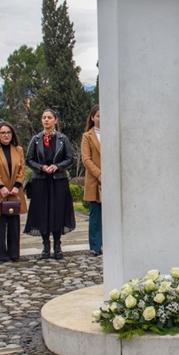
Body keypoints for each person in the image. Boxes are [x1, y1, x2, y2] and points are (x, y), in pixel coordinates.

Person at [26, 108, 76, 259]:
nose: (46, 120)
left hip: (58, 181)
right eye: (44, 117)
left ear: (55, 120)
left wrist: (58, 166)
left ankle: (57, 244)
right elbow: (28, 159)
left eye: (49, 117)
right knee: (43, 212)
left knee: (57, 211)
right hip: (41, 181)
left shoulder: (62, 139)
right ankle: (45, 245)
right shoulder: (36, 139)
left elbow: (70, 158)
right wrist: (41, 167)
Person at [0, 121, 27, 262]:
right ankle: (1, 254)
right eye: (3, 133)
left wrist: (17, 185)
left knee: (14, 224)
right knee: (0, 224)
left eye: (8, 132)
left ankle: (14, 253)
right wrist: (0, 186)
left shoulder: (18, 149)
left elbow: (22, 169)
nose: (6, 135)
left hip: (15, 191)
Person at [81, 106, 103, 255]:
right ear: (93, 118)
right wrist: (99, 174)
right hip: (95, 180)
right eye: (98, 116)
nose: (101, 119)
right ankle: (95, 245)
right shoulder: (87, 136)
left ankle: (110, 243)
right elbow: (86, 159)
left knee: (111, 215)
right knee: (95, 214)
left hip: (112, 180)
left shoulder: (112, 133)